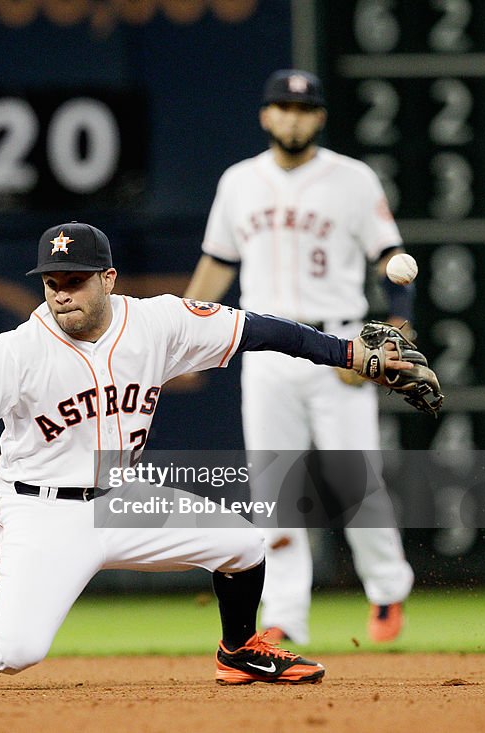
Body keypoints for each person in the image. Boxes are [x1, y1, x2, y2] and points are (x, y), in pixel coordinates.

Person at [0, 221, 420, 690]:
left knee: (244, 543)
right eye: (51, 283)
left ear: (108, 279)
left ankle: (239, 652)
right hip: (42, 512)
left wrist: (348, 352)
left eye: (74, 281)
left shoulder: (157, 322)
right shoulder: (16, 349)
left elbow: (258, 330)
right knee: (13, 652)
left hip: (122, 496)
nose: (61, 293)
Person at [183, 69, 415, 645]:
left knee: (353, 478)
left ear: (320, 118)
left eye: (303, 108)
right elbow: (218, 262)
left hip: (339, 344)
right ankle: (284, 612)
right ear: (266, 116)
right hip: (265, 346)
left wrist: (386, 340)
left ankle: (387, 590)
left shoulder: (353, 180)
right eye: (282, 107)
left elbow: (393, 258)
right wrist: (182, 327)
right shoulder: (239, 181)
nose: (292, 117)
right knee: (274, 488)